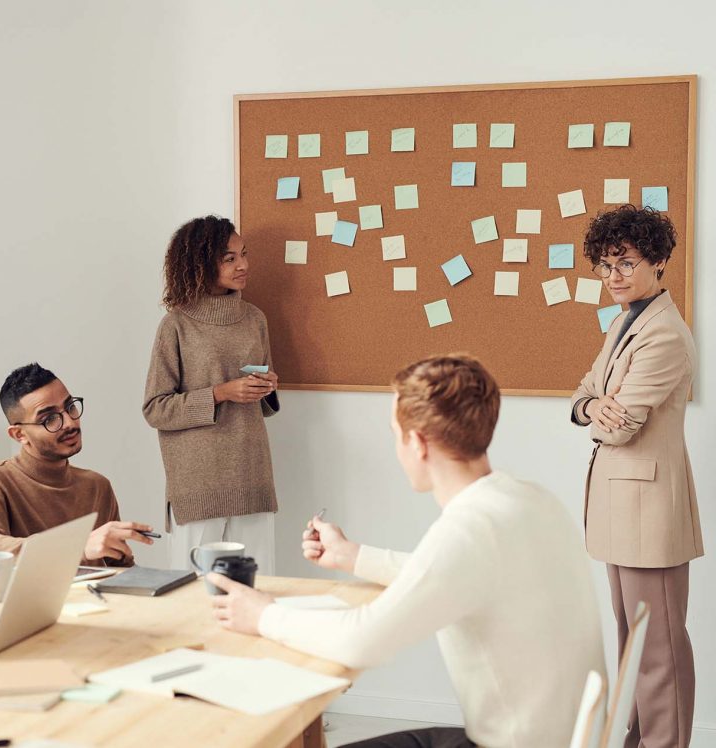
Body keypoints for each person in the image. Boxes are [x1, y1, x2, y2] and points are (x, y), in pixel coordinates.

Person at [210, 355, 605, 748]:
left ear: (417, 443)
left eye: (395, 433)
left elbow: (359, 640)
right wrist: (352, 556)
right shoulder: (529, 499)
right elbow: (453, 575)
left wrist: (263, 615)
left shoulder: (470, 528)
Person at [571, 204, 701, 748]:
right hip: (621, 510)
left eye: (625, 263)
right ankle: (639, 741)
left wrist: (599, 409)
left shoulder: (664, 334)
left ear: (660, 260)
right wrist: (592, 406)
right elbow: (583, 394)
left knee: (659, 652)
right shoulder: (627, 321)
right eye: (604, 266)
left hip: (649, 511)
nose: (614, 277)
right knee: (635, 643)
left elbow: (620, 427)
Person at [143, 215, 280, 574]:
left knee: (258, 587)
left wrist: (266, 387)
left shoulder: (255, 319)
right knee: (193, 594)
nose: (243, 265)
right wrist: (220, 393)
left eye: (243, 254)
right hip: (198, 485)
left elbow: (261, 404)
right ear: (200, 263)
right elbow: (156, 409)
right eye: (229, 258)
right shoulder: (176, 324)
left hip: (251, 475)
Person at [0, 362, 153, 566]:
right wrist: (77, 547)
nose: (70, 423)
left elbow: (122, 574)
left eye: (70, 407)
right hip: (28, 599)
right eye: (50, 419)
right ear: (19, 434)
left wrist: (122, 555)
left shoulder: (97, 486)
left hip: (93, 598)